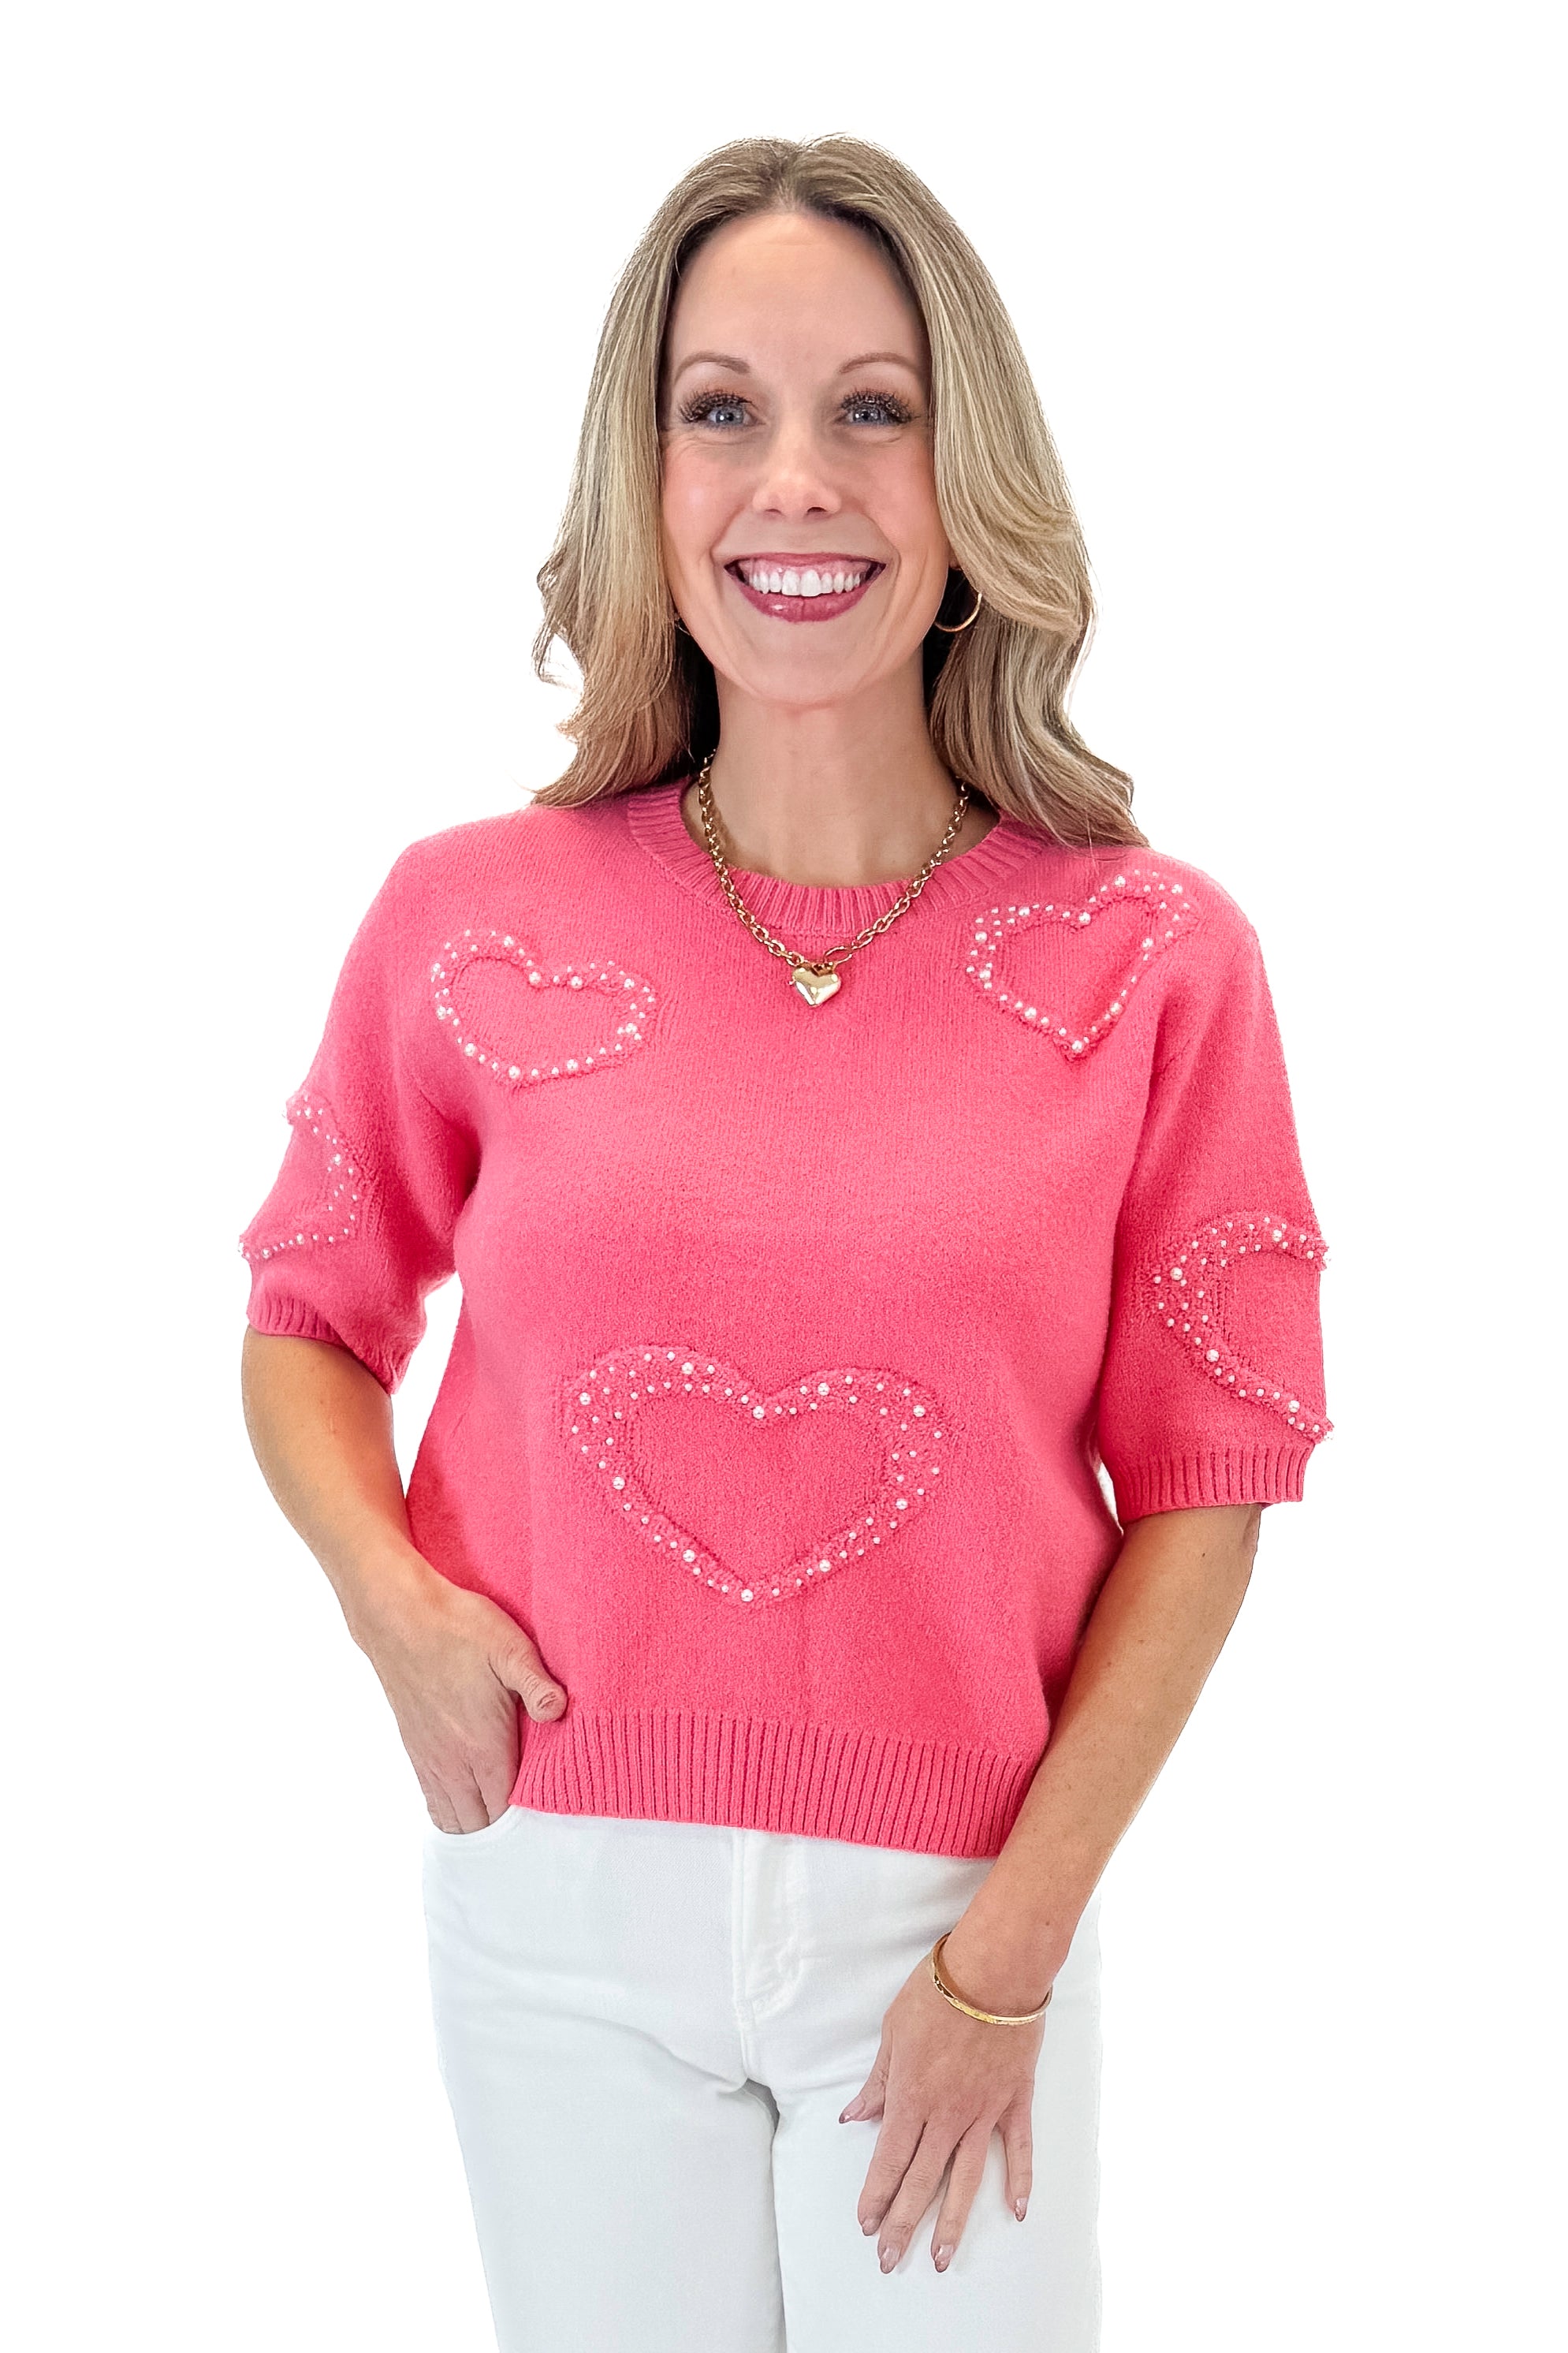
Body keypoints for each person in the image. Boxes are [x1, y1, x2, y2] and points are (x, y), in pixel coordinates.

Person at [237, 132, 1331, 2353]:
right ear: (642, 473)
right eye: (721, 408)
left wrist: (1005, 1959)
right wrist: (391, 1605)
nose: (794, 483)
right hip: (552, 1904)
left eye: (874, 409)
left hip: (957, 1913)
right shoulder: (473, 917)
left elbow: (1208, 1490)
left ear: (969, 473)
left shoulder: (1151, 958)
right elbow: (308, 1317)